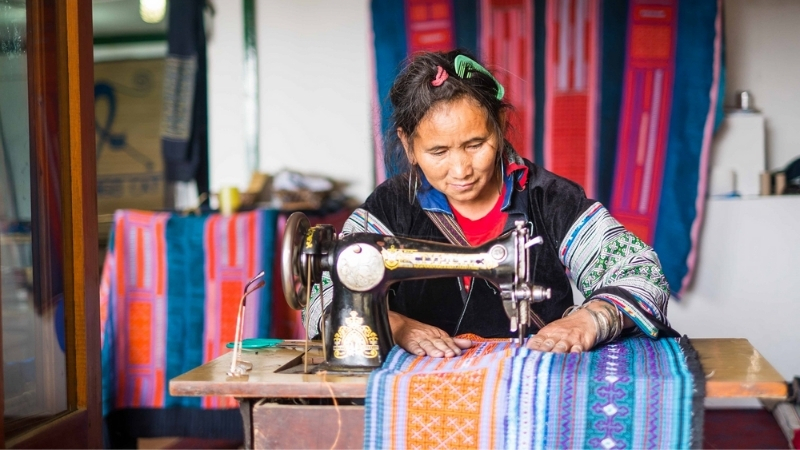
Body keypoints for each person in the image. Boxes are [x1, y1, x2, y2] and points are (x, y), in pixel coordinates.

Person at [306, 50, 675, 357]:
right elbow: (324, 289)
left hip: (532, 386)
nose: (461, 169)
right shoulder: (390, 208)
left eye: (475, 145)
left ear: (499, 124)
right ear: (407, 144)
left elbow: (641, 274)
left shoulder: (552, 199)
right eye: (438, 151)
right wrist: (392, 323)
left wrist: (592, 319)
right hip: (415, 391)